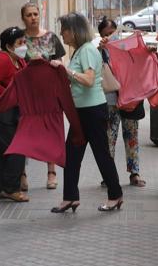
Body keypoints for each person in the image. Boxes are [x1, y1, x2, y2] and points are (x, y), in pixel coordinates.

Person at [49, 12, 123, 213]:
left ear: (73, 31)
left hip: (92, 111)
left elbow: (89, 80)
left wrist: (66, 71)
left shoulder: (88, 50)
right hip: (80, 112)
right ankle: (70, 197)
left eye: (63, 29)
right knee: (72, 155)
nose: (61, 34)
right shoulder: (79, 51)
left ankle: (115, 195)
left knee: (101, 154)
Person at [20, 2, 66, 190]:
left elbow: (59, 62)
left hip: (48, 92)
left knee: (50, 131)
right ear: (23, 18)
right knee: (23, 131)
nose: (33, 18)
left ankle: (51, 172)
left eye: (36, 14)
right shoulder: (19, 39)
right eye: (29, 15)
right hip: (27, 93)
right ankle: (21, 174)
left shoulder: (51, 37)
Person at [98, 17, 146, 187]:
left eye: (113, 33)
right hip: (110, 99)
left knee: (131, 136)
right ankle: (108, 175)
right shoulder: (100, 51)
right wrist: (101, 50)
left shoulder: (128, 47)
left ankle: (135, 173)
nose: (111, 37)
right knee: (109, 138)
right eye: (106, 35)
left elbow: (140, 62)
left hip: (129, 99)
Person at [0, 27, 29, 202]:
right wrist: (11, 97)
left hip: (10, 110)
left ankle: (4, 188)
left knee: (4, 149)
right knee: (17, 148)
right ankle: (11, 188)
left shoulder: (18, 60)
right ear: (9, 46)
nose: (23, 46)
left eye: (24, 42)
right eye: (20, 43)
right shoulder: (2, 61)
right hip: (0, 111)